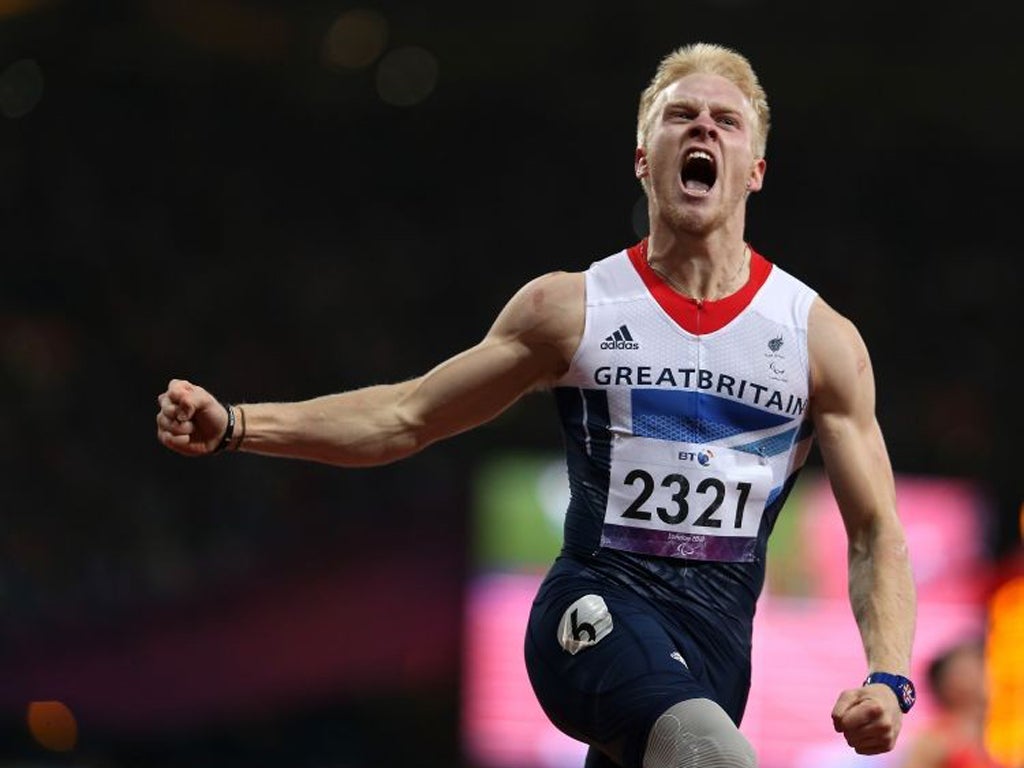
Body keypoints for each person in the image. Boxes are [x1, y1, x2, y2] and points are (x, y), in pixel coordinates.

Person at [155, 42, 917, 768]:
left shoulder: (818, 340)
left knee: (701, 740)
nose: (703, 130)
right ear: (643, 159)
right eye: (682, 116)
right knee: (715, 756)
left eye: (726, 121)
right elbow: (405, 416)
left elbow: (876, 531)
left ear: (754, 169)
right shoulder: (573, 309)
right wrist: (240, 426)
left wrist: (888, 676)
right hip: (591, 612)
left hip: (716, 652)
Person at [899, 641, 1002, 768]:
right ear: (947, 684)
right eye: (969, 670)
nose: (986, 672)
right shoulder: (934, 741)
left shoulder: (1004, 732)